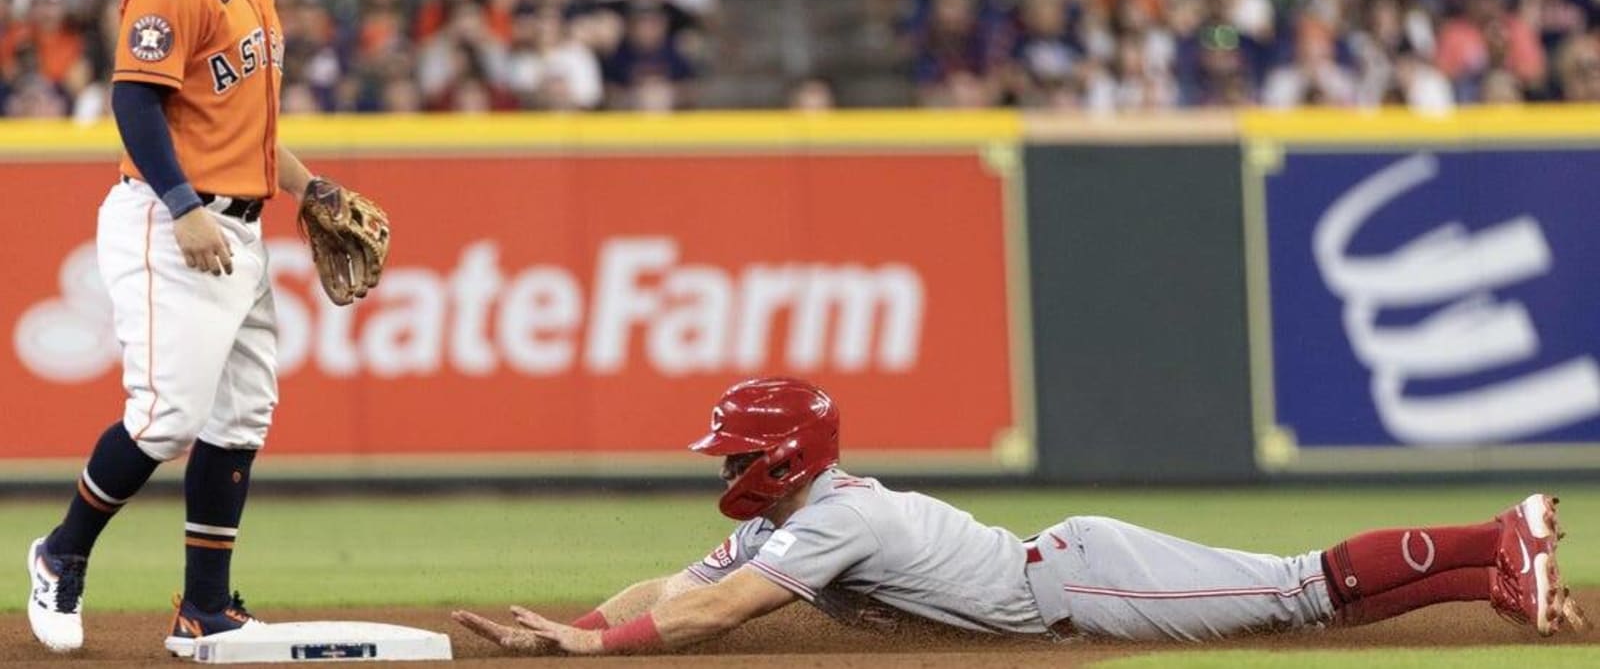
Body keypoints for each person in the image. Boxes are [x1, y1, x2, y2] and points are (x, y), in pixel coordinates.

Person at [454, 378, 1587, 656]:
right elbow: (678, 590)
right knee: (1305, 620)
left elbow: (722, 616)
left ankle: (1500, 534)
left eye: (742, 451)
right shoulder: (788, 517)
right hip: (1067, 583)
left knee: (1295, 587)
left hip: (1077, 582)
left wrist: (602, 649)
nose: (728, 466)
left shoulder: (825, 522)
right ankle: (1496, 575)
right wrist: (579, 628)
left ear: (784, 456)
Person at [24, 0, 363, 657]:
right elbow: (134, 102)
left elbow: (245, 128)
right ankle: (59, 553)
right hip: (172, 221)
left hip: (237, 227)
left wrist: (309, 185)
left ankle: (204, 609)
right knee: (167, 415)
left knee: (242, 414)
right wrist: (182, 207)